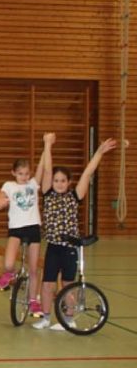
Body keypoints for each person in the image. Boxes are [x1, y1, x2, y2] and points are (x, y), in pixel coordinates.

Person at [32, 134, 122, 330]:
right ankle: (45, 318)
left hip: (70, 248)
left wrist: (99, 152)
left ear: (69, 182)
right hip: (53, 247)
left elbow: (88, 173)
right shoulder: (48, 194)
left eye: (63, 181)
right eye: (56, 180)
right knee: (47, 284)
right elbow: (47, 170)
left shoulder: (74, 196)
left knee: (67, 284)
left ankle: (69, 319)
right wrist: (47, 145)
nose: (59, 183)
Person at [0, 148, 48, 317]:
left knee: (33, 269)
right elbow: (0, 195)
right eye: (20, 173)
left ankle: (33, 301)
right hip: (16, 228)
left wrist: (47, 146)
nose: (24, 177)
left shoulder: (33, 184)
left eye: (26, 173)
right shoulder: (9, 186)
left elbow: (42, 167)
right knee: (8, 263)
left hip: (33, 228)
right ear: (13, 173)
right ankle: (11, 273)